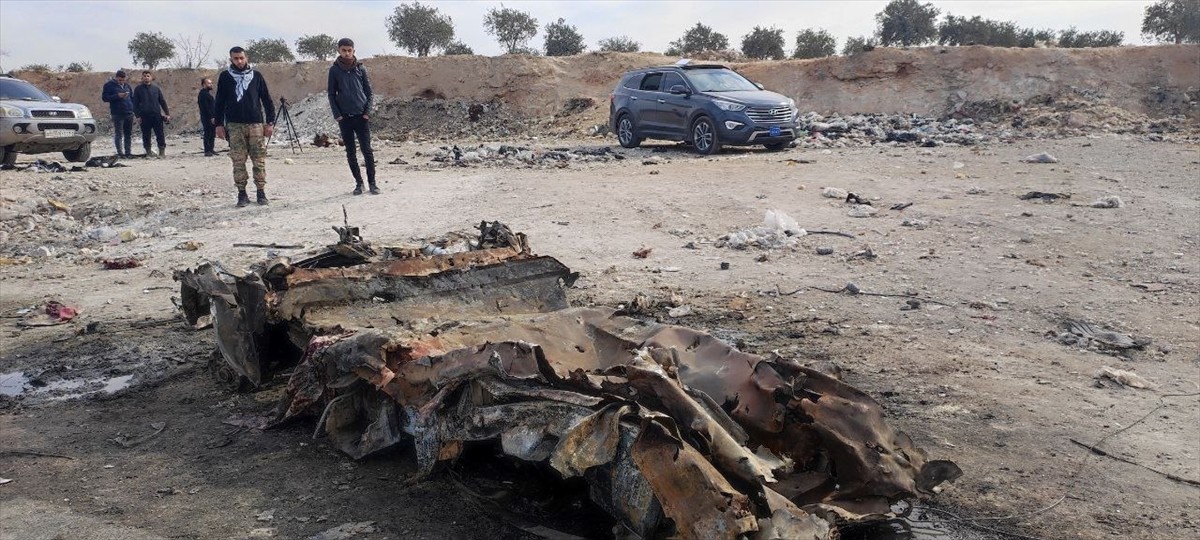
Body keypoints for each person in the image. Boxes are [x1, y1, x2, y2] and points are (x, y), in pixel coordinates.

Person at [214, 46, 276, 207]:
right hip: (234, 125)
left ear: (246, 57)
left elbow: (267, 100)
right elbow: (219, 102)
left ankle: (261, 192)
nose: (239, 61)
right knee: (238, 160)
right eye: (236, 58)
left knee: (259, 159)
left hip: (256, 124)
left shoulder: (256, 76)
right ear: (231, 59)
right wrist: (219, 124)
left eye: (241, 58)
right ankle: (242, 194)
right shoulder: (225, 77)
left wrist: (270, 122)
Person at [327, 37, 379, 195]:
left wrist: (367, 112)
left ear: (354, 51)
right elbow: (331, 94)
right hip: (345, 118)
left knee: (367, 151)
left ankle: (372, 183)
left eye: (350, 50)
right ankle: (359, 183)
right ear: (339, 51)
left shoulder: (361, 69)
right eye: (344, 50)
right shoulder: (334, 70)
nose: (347, 53)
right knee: (351, 152)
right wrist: (338, 115)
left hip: (361, 117)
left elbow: (369, 92)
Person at [132, 70, 170, 158]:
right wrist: (137, 116)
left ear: (151, 77)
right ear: (142, 78)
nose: (146, 77)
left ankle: (162, 152)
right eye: (144, 76)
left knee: (160, 134)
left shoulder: (156, 88)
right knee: (146, 135)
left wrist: (167, 114)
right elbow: (135, 104)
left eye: (148, 76)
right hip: (144, 116)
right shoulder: (138, 89)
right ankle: (148, 152)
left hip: (156, 115)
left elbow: (162, 101)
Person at [100, 70, 134, 157]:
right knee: (119, 133)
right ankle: (120, 153)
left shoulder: (127, 86)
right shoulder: (109, 85)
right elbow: (105, 98)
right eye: (120, 80)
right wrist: (117, 96)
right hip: (117, 113)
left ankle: (128, 152)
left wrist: (133, 109)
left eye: (123, 80)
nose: (122, 82)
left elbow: (132, 98)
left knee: (128, 134)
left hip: (129, 112)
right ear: (116, 77)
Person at [197, 77, 216, 156]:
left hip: (212, 117)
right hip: (207, 117)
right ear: (204, 84)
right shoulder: (203, 94)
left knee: (212, 133)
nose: (211, 85)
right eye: (209, 83)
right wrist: (211, 117)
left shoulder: (208, 94)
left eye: (211, 83)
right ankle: (207, 150)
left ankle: (211, 149)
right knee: (208, 133)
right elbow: (205, 107)